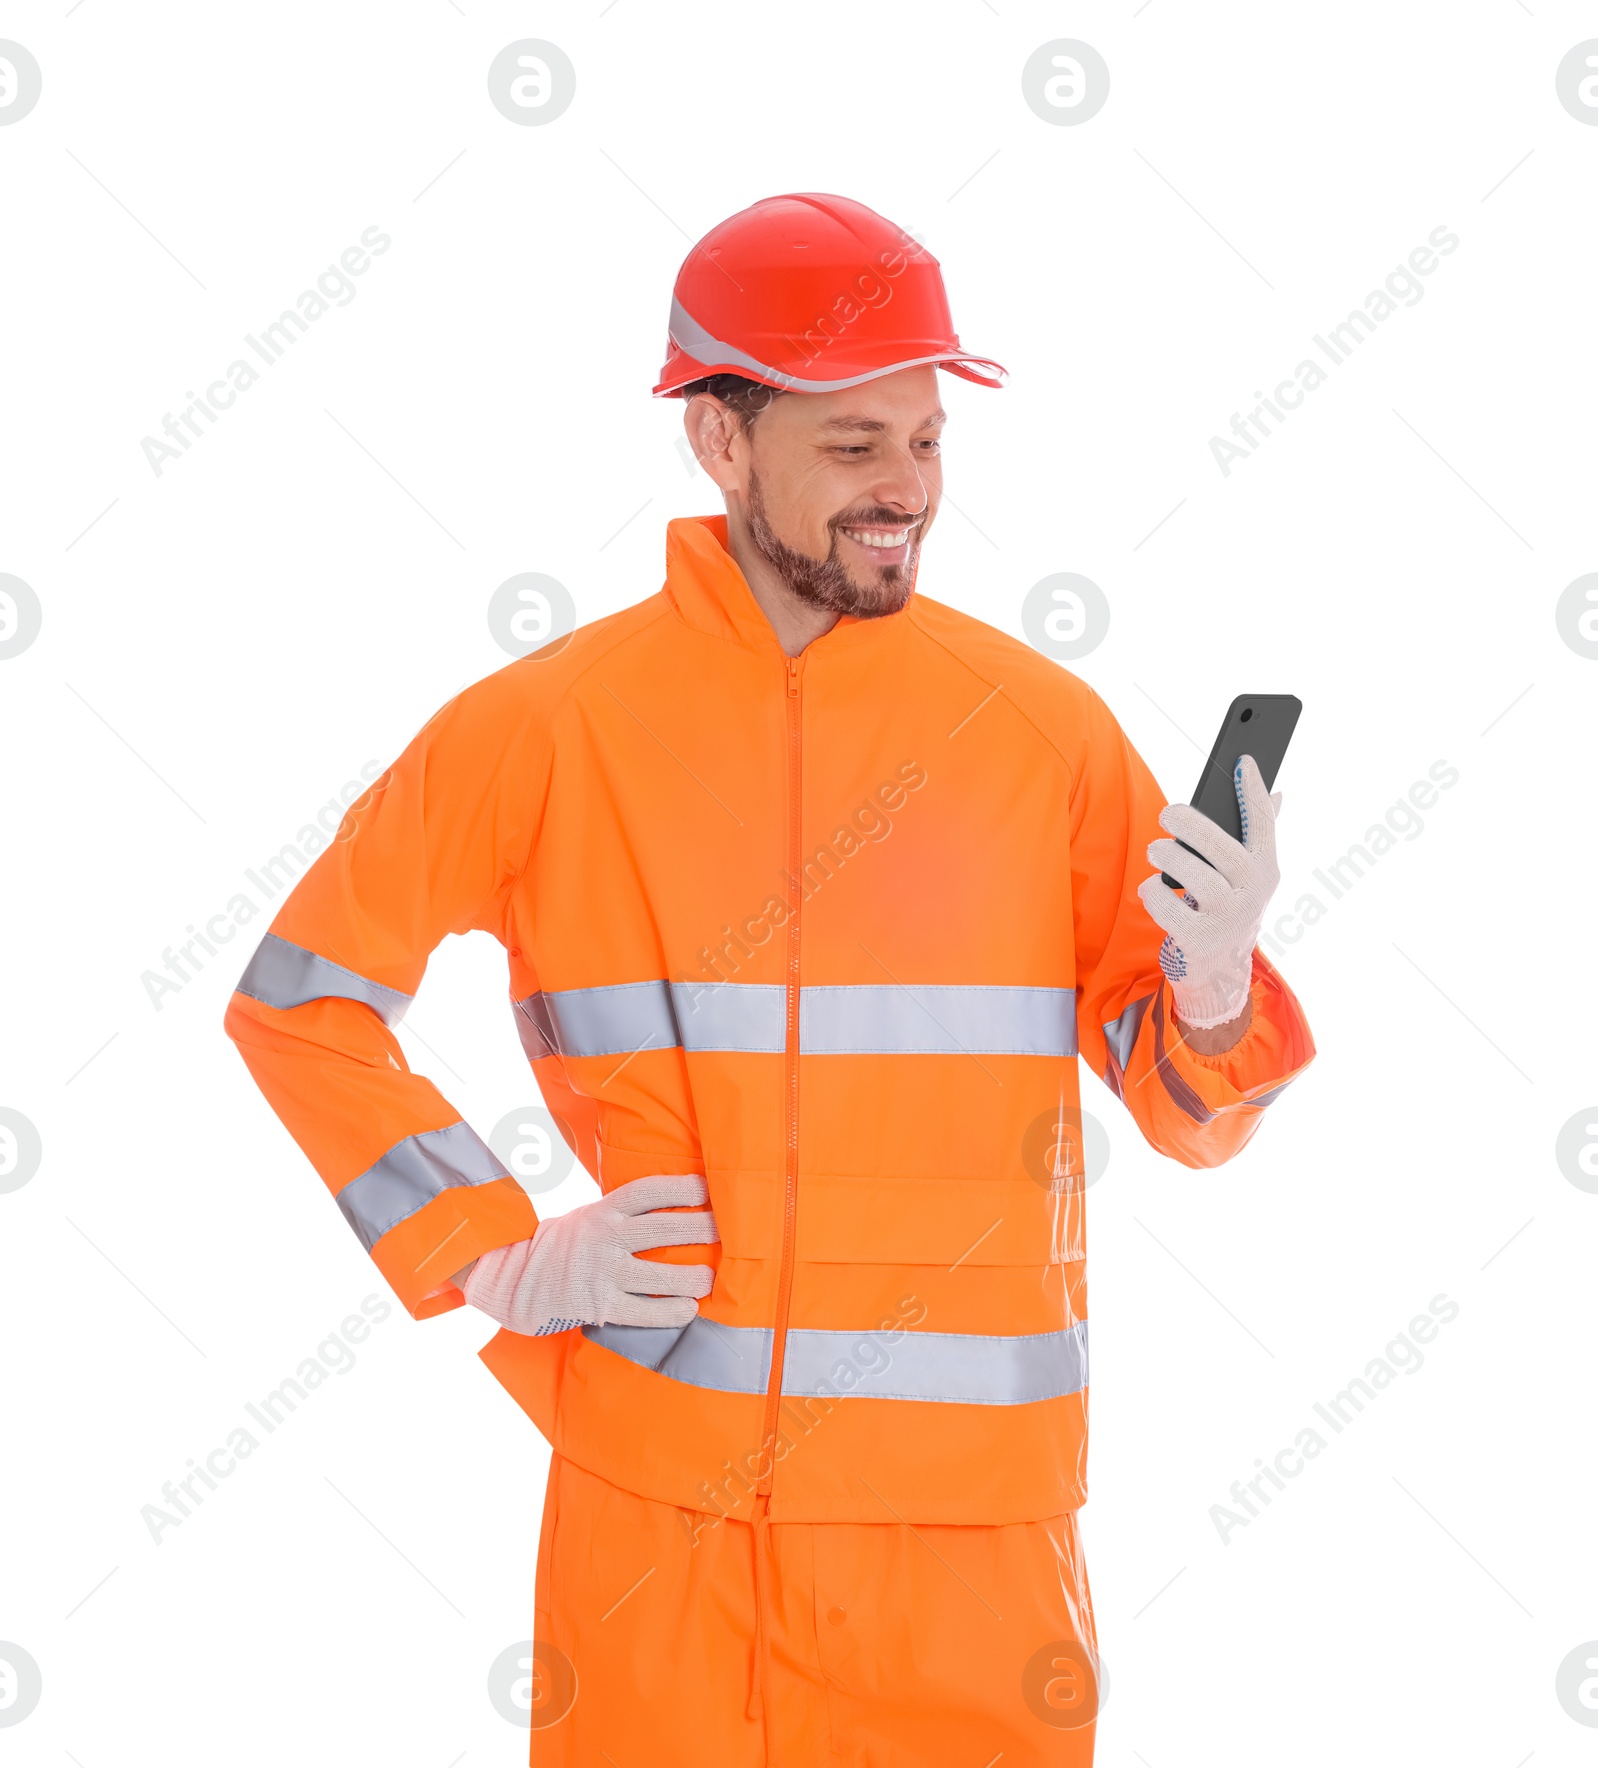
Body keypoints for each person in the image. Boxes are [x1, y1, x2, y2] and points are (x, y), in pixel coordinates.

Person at [225, 192, 1315, 1766]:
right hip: (658, 1525)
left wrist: (1212, 991)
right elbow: (297, 1002)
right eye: (855, 445)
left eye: (929, 443)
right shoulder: (550, 727)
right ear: (719, 443)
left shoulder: (1043, 733)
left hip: (970, 1547)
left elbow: (1192, 1116)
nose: (908, 492)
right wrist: (494, 1252)